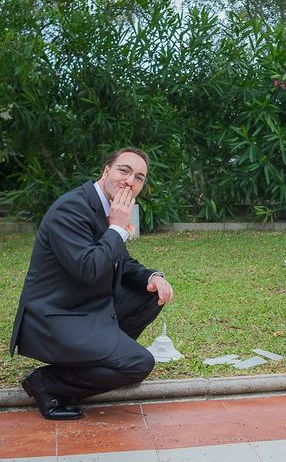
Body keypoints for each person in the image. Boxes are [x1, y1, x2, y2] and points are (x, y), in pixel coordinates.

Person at [9, 147, 174, 420]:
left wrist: (152, 276)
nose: (130, 181)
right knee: (139, 363)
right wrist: (118, 228)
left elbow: (121, 260)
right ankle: (47, 384)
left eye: (139, 177)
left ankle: (102, 362)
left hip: (87, 308)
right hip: (56, 317)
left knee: (148, 294)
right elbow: (88, 269)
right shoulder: (70, 209)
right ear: (106, 171)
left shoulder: (106, 207)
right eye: (124, 170)